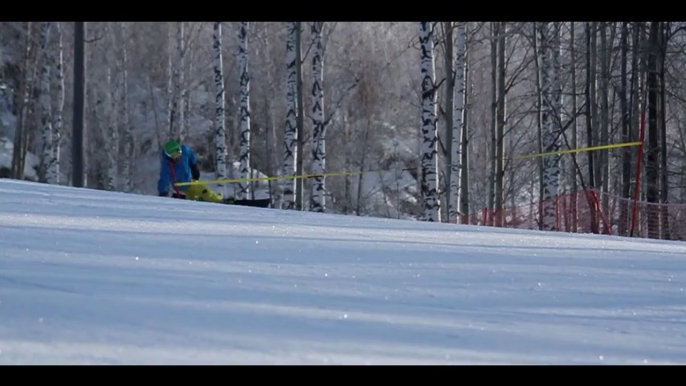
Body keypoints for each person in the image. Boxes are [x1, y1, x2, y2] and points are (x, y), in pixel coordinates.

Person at [157, 140, 223, 203]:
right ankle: (206, 200)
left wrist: (194, 166)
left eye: (179, 153)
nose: (178, 157)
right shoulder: (167, 165)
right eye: (174, 156)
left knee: (204, 190)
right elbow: (164, 179)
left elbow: (191, 154)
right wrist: (163, 192)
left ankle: (218, 200)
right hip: (180, 188)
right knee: (191, 200)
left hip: (190, 182)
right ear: (169, 156)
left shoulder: (184, 150)